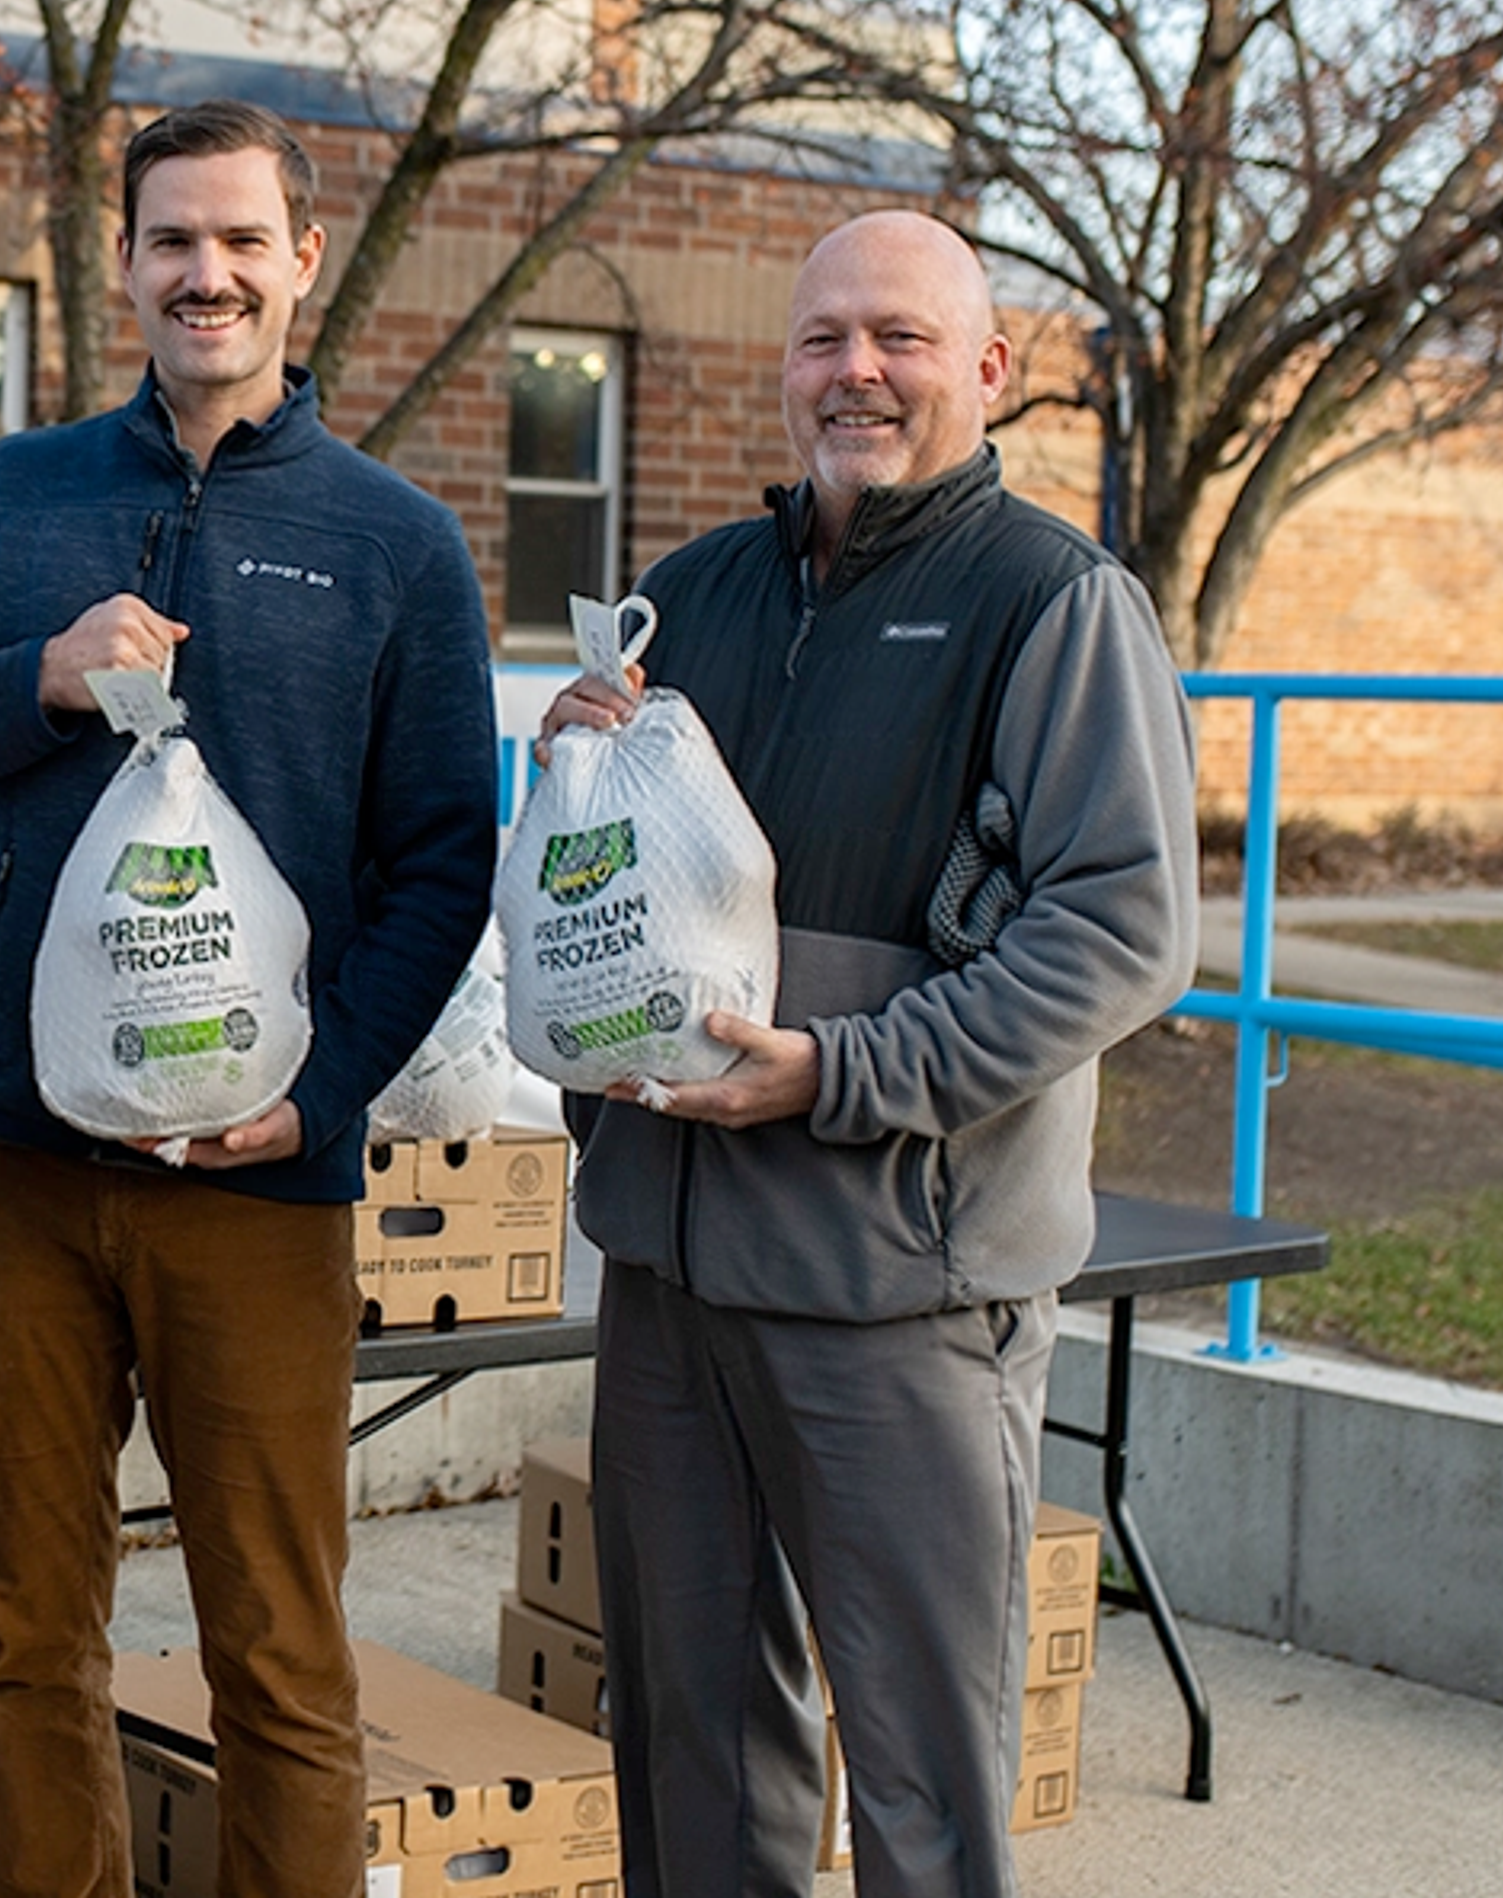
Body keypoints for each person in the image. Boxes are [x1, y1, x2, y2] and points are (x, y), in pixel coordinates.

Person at [0, 99, 498, 1898]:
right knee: (23, 1628)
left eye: (242, 240)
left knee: (280, 1651)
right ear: (119, 262)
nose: (207, 273)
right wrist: (36, 678)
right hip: (15, 1167)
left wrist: (323, 1093)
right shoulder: (20, 493)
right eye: (171, 240)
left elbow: (443, 860)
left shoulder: (395, 543)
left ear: (301, 262)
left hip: (257, 1179)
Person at [535, 208, 1200, 1898]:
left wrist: (843, 1069)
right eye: (825, 337)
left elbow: (1121, 928)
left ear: (986, 370)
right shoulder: (686, 598)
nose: (859, 372)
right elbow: (607, 888)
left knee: (922, 1780)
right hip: (674, 1272)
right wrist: (571, 773)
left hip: (900, 1281)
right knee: (688, 1750)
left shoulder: (1052, 604)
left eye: (902, 339)